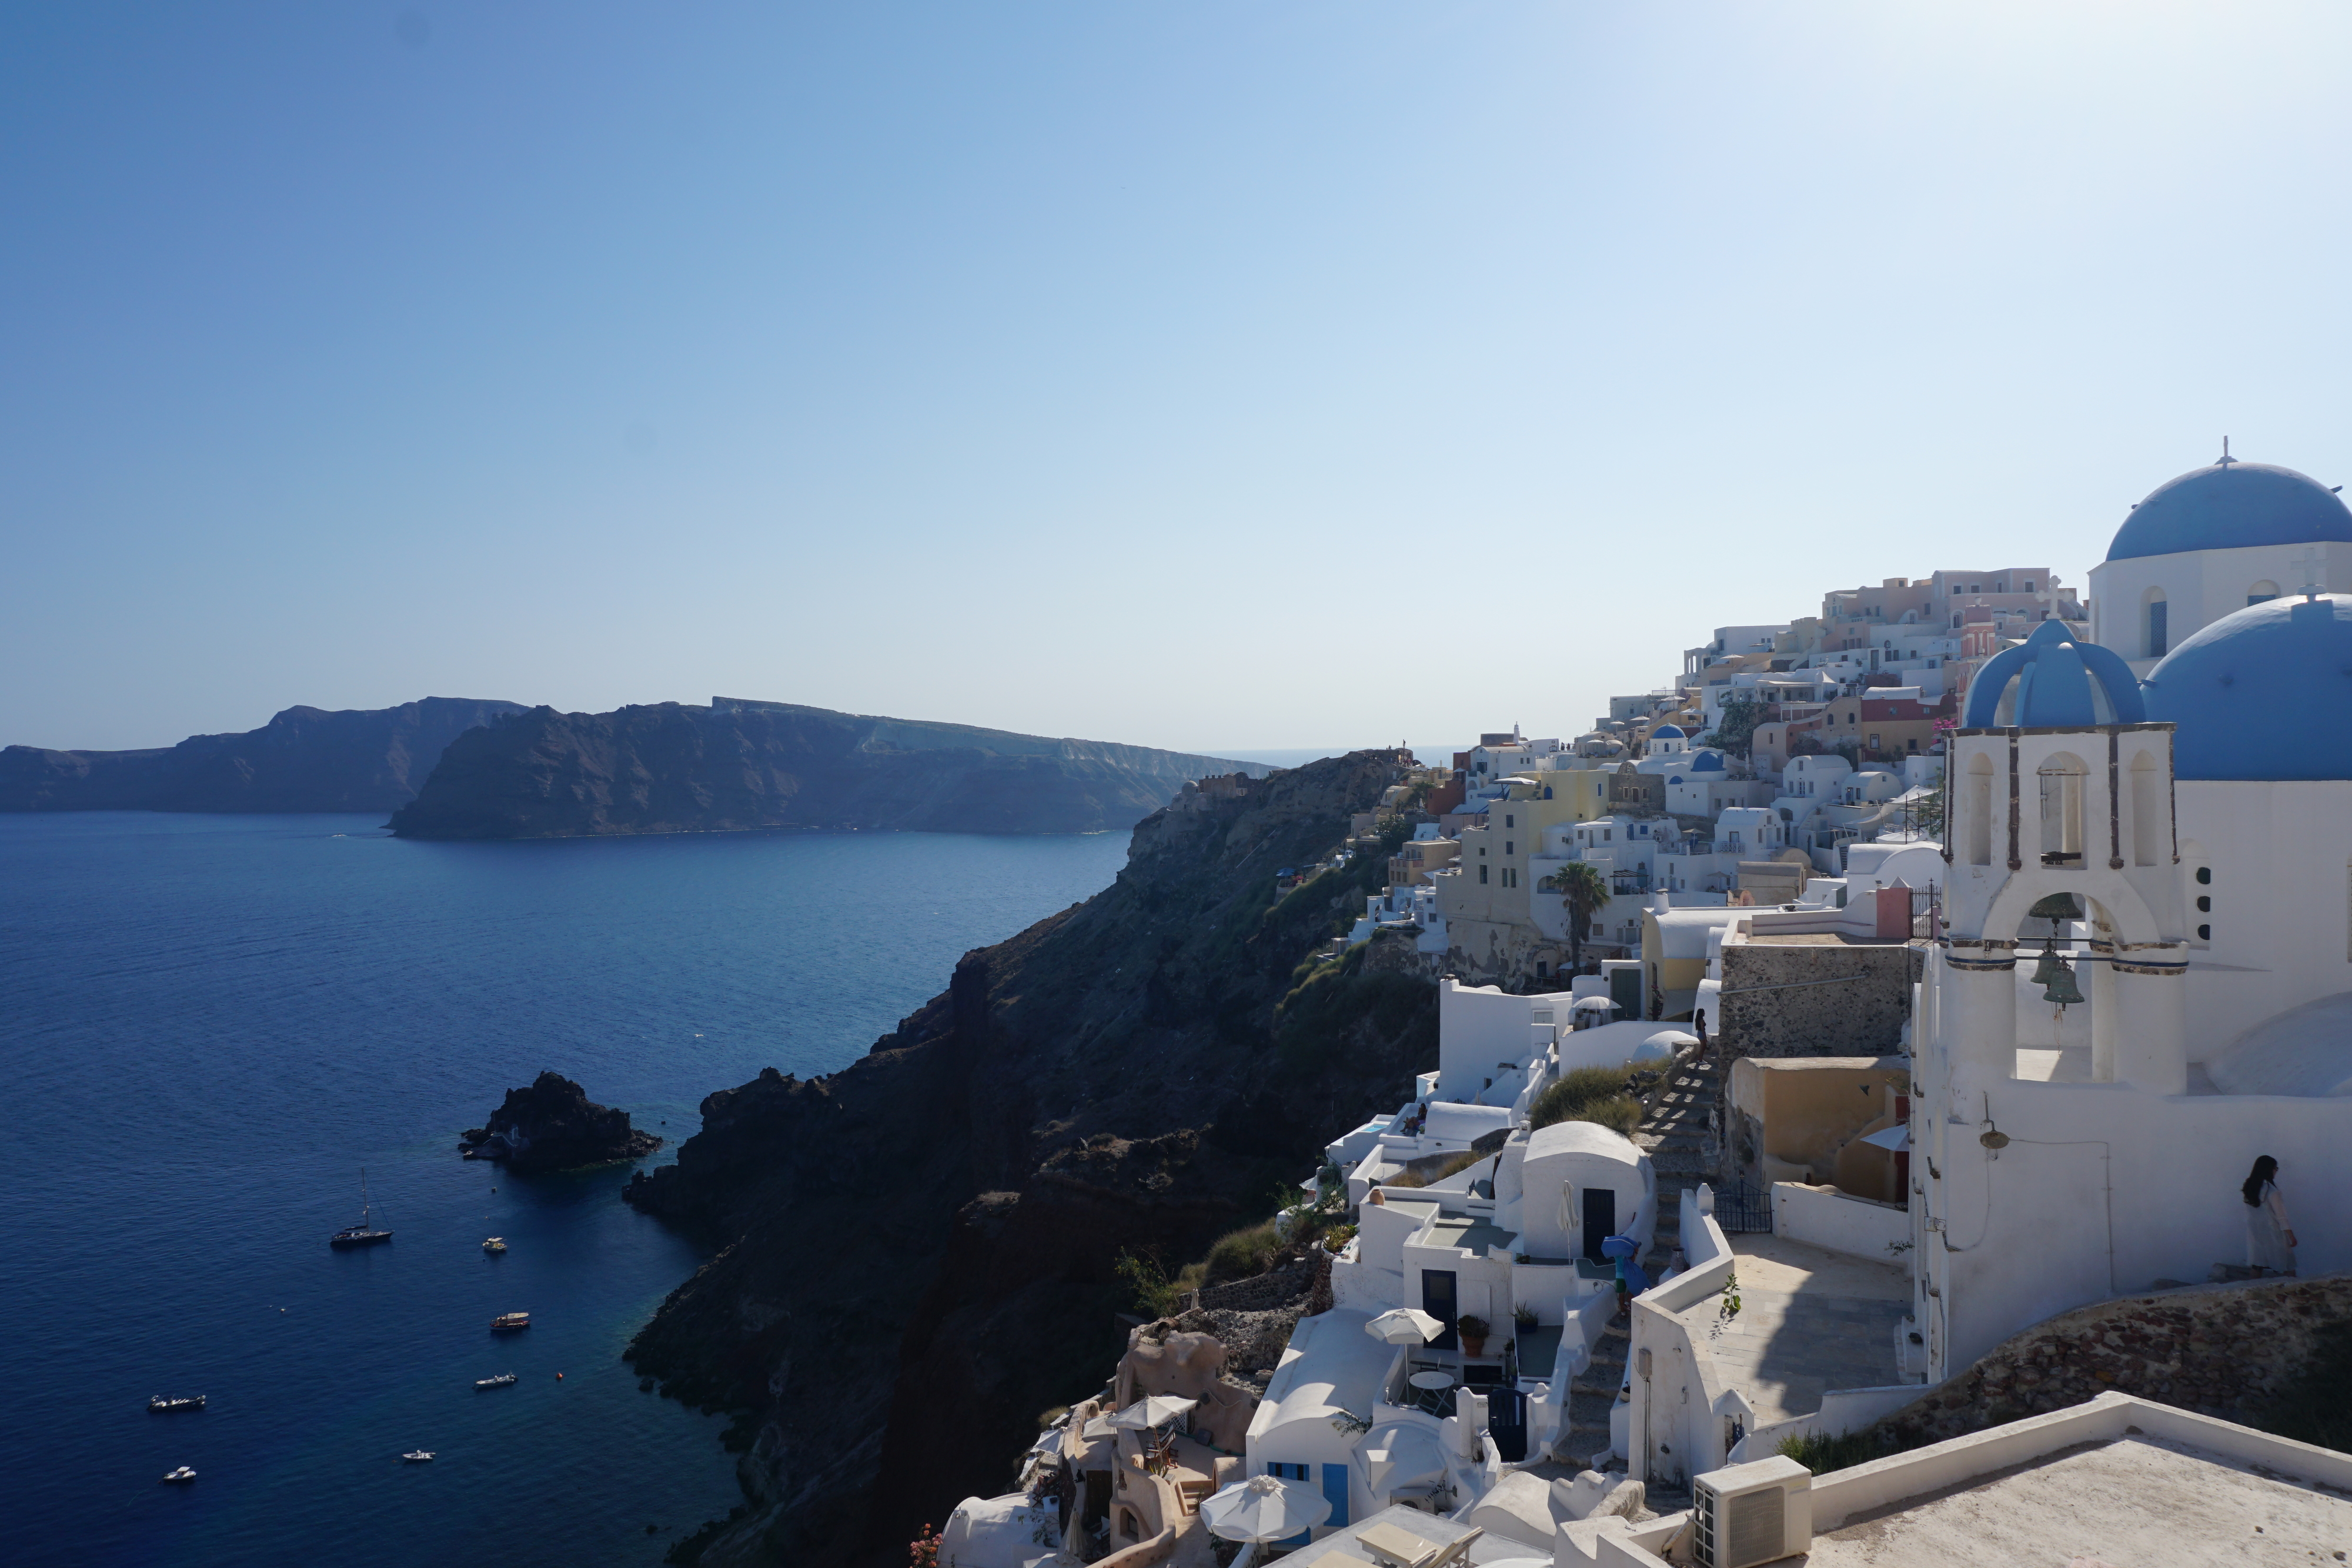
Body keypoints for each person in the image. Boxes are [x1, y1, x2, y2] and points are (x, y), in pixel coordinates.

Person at [2243, 1155, 2297, 1276]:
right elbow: (2282, 1217)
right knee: (2288, 1264)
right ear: (2269, 1169)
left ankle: (2252, 1293)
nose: (2276, 1172)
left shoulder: (2249, 1189)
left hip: (2256, 1233)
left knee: (2258, 1265)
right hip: (2274, 1233)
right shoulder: (2273, 1192)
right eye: (2275, 1169)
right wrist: (2291, 1236)